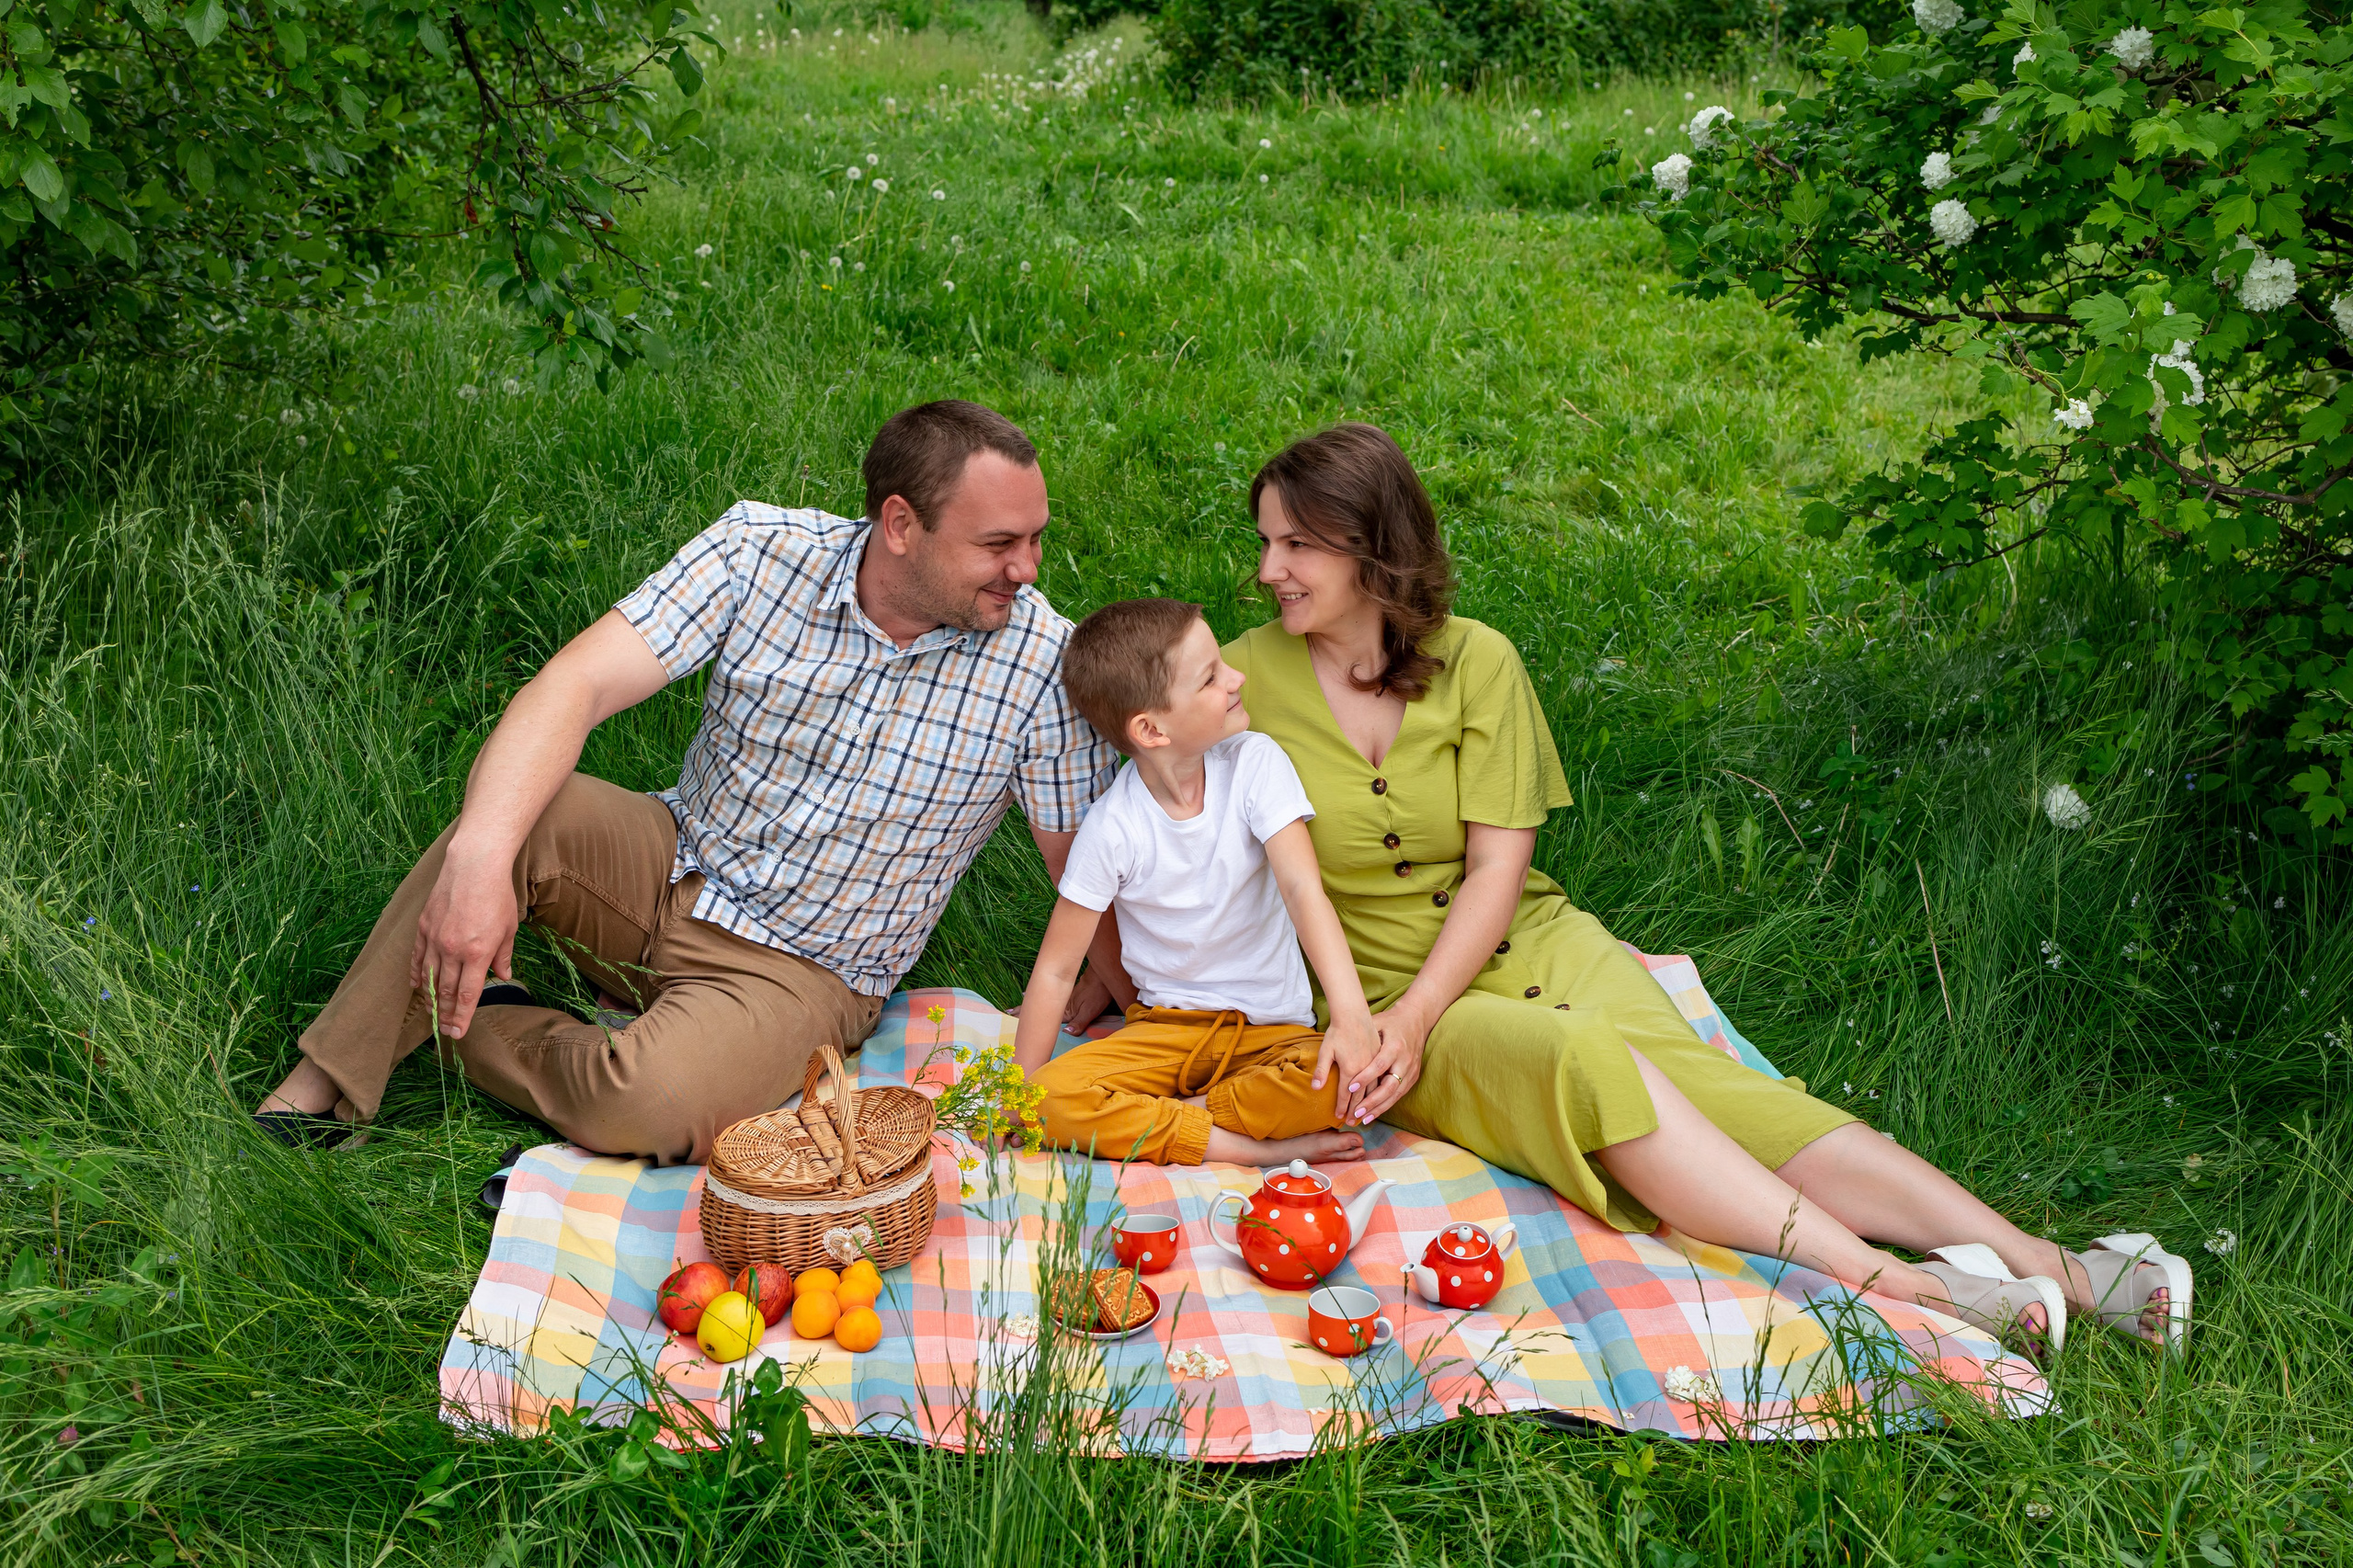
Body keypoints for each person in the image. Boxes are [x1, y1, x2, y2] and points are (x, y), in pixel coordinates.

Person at [1220, 421, 2191, 1359]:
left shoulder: (1479, 659)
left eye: (1297, 543)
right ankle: (1908, 1286)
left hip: (1534, 939)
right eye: (1266, 541)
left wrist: (1430, 1002)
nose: (1269, 570)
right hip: (1385, 1013)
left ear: (1374, 549)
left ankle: (2057, 1267)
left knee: (1721, 1091)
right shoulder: (1239, 682)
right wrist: (1400, 1018)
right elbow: (1148, 803)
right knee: (1580, 1062)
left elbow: (1498, 870)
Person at [253, 400, 1129, 1165]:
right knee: (515, 817)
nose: (1028, 568)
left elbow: (1089, 870)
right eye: (998, 544)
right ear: (900, 524)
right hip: (670, 863)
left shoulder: (1045, 663)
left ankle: (478, 1015)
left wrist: (1150, 1006)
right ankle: (322, 1082)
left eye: (1035, 537)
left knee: (648, 1103)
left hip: (802, 970)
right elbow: (574, 685)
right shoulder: (759, 552)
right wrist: (483, 862)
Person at [1011, 598, 1379, 1167]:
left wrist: (1352, 1015)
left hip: (1273, 1035)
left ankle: (1175, 1120)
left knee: (1346, 1084)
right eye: (1211, 677)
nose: (1237, 678)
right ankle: (1243, 1147)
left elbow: (1305, 893)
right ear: (1151, 729)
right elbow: (1057, 968)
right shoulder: (1113, 828)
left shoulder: (1256, 763)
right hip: (1165, 1032)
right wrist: (1022, 1093)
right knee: (1049, 1101)